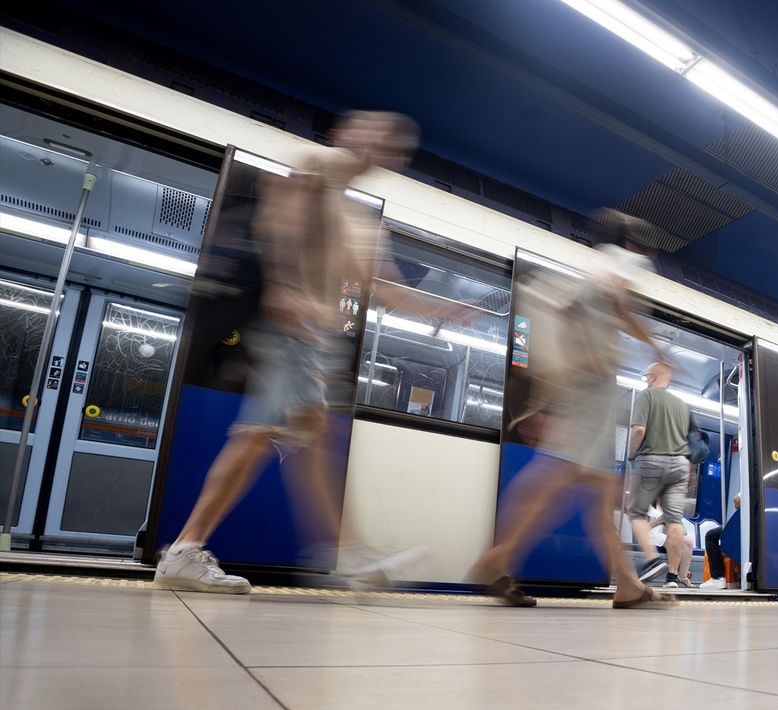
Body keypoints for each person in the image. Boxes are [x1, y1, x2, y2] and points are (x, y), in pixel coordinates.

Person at [154, 111, 432, 594]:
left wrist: (445, 310)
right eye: (370, 135)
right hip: (291, 329)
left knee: (309, 440)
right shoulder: (317, 166)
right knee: (263, 435)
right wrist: (282, 286)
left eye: (388, 147)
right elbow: (277, 217)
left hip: (314, 339)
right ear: (343, 133)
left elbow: (381, 284)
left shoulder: (357, 219)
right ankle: (185, 550)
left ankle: (342, 553)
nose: (374, 148)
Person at [466, 244, 673, 609]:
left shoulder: (603, 293)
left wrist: (653, 345)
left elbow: (621, 315)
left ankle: (624, 583)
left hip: (589, 404)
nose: (629, 296)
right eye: (629, 286)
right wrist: (596, 360)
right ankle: (496, 560)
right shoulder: (597, 290)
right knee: (559, 480)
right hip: (585, 403)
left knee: (586, 492)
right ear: (620, 277)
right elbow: (585, 318)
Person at [626, 361, 693, 589]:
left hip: (653, 459)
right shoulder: (682, 405)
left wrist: (632, 453)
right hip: (680, 465)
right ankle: (672, 577)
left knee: (635, 511)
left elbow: (639, 430)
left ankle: (652, 560)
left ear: (653, 377)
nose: (645, 380)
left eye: (646, 376)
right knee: (674, 520)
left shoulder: (647, 396)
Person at [700, 493, 741, 591]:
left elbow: (737, 500)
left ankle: (717, 577)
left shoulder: (747, 485)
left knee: (711, 536)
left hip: (744, 525)